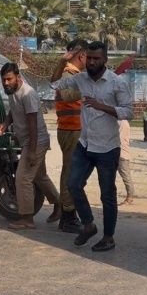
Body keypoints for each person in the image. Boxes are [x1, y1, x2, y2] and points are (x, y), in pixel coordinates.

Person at [49, 41, 133, 252]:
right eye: (90, 58)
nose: (92, 62)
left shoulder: (116, 83)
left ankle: (108, 237)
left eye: (97, 58)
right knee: (73, 184)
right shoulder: (80, 79)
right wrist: (61, 62)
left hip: (107, 147)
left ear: (105, 60)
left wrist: (102, 106)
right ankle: (88, 225)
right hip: (85, 144)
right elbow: (54, 85)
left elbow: (128, 112)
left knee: (107, 195)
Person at [0, 62, 61, 230]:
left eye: (9, 79)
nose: (6, 83)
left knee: (22, 178)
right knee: (40, 177)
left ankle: (27, 219)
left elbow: (32, 123)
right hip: (30, 142)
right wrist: (5, 124)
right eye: (3, 80)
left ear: (18, 77)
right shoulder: (12, 91)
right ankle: (59, 204)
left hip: (36, 142)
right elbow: (13, 110)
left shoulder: (28, 94)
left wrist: (32, 151)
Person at [49, 39, 87, 233]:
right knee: (71, 174)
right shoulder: (70, 73)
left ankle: (69, 215)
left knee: (71, 172)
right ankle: (68, 216)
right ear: (82, 56)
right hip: (72, 130)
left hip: (69, 129)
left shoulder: (70, 72)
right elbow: (66, 94)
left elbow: (53, 82)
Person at [117, 119, 136, 205]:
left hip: (121, 152)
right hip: (119, 151)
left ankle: (130, 197)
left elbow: (120, 138)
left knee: (126, 176)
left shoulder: (121, 122)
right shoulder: (123, 122)